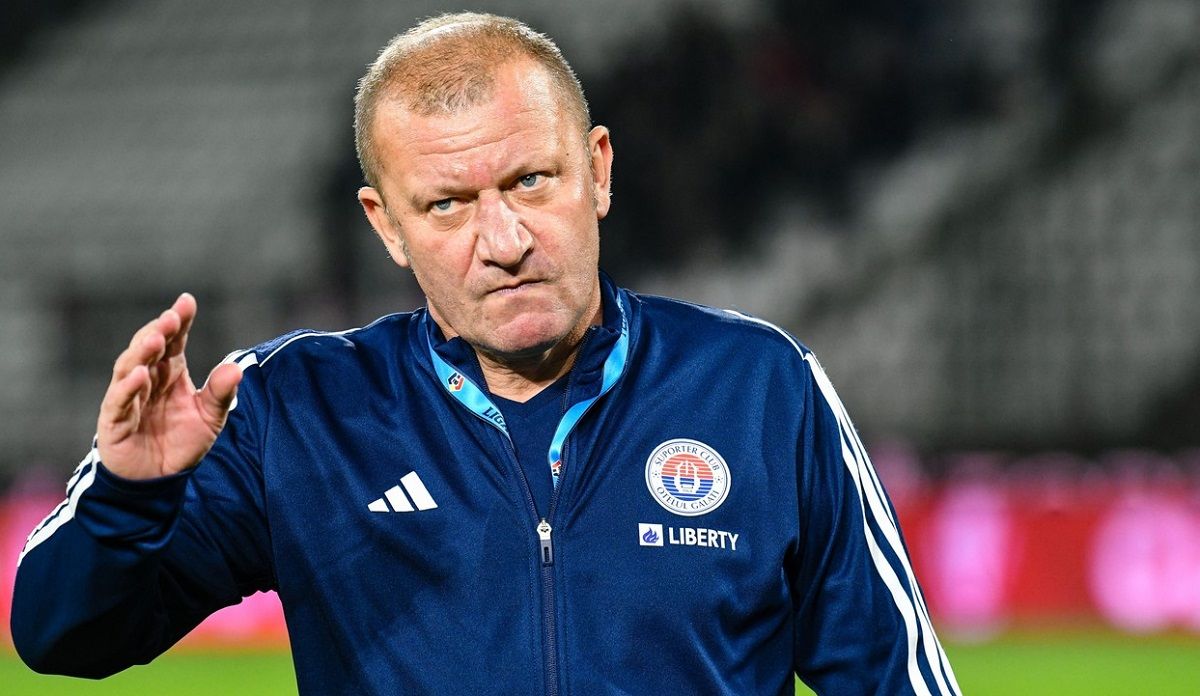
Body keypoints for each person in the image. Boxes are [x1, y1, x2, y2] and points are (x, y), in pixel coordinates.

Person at [10, 12, 960, 696]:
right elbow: (61, 640)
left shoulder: (757, 386)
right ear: (387, 226)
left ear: (599, 170)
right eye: (447, 205)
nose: (502, 240)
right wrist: (127, 499)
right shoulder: (294, 409)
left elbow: (897, 679)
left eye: (531, 180)